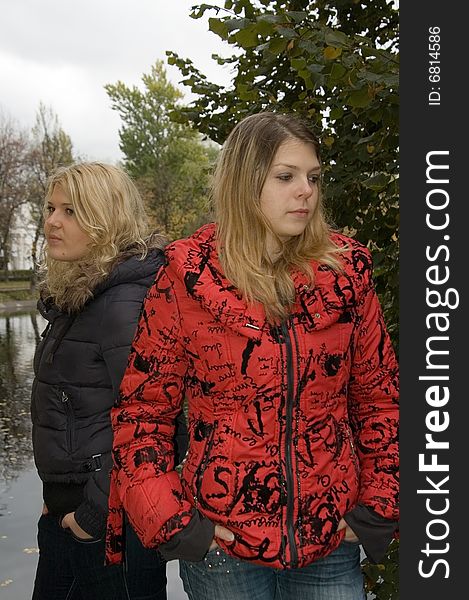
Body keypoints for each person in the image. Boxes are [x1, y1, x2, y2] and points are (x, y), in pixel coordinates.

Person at [106, 112, 399, 600]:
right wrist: (176, 524)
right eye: (285, 177)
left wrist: (377, 506)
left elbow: (381, 400)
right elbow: (142, 413)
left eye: (313, 177)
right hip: (222, 548)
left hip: (330, 542)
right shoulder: (185, 280)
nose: (305, 190)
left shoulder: (346, 277)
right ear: (244, 182)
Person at [30, 162, 186, 600]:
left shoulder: (125, 304)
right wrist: (59, 494)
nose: (52, 222)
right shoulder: (81, 296)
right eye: (50, 208)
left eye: (71, 211)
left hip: (111, 525)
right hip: (72, 512)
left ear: (105, 219)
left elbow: (159, 422)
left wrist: (92, 514)